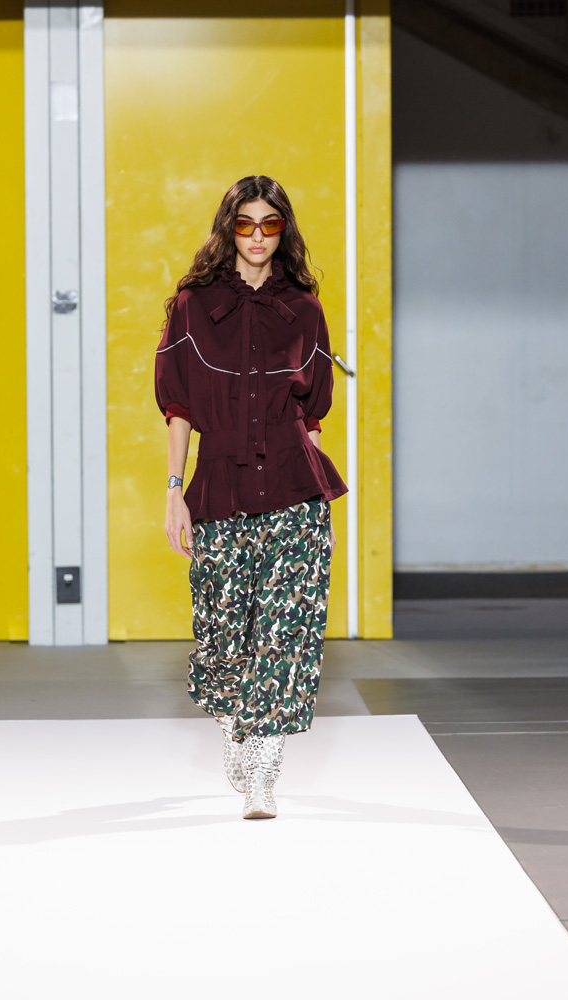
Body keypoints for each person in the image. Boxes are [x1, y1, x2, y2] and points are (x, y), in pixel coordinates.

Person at [154, 175, 347, 820]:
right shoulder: (193, 307)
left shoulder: (306, 309)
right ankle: (238, 725)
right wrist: (175, 491)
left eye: (270, 223)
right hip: (220, 487)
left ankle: (265, 761)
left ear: (283, 229)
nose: (258, 235)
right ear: (228, 228)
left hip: (294, 487)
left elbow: (312, 413)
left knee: (288, 626)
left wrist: (311, 485)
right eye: (245, 223)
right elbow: (179, 408)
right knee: (224, 630)